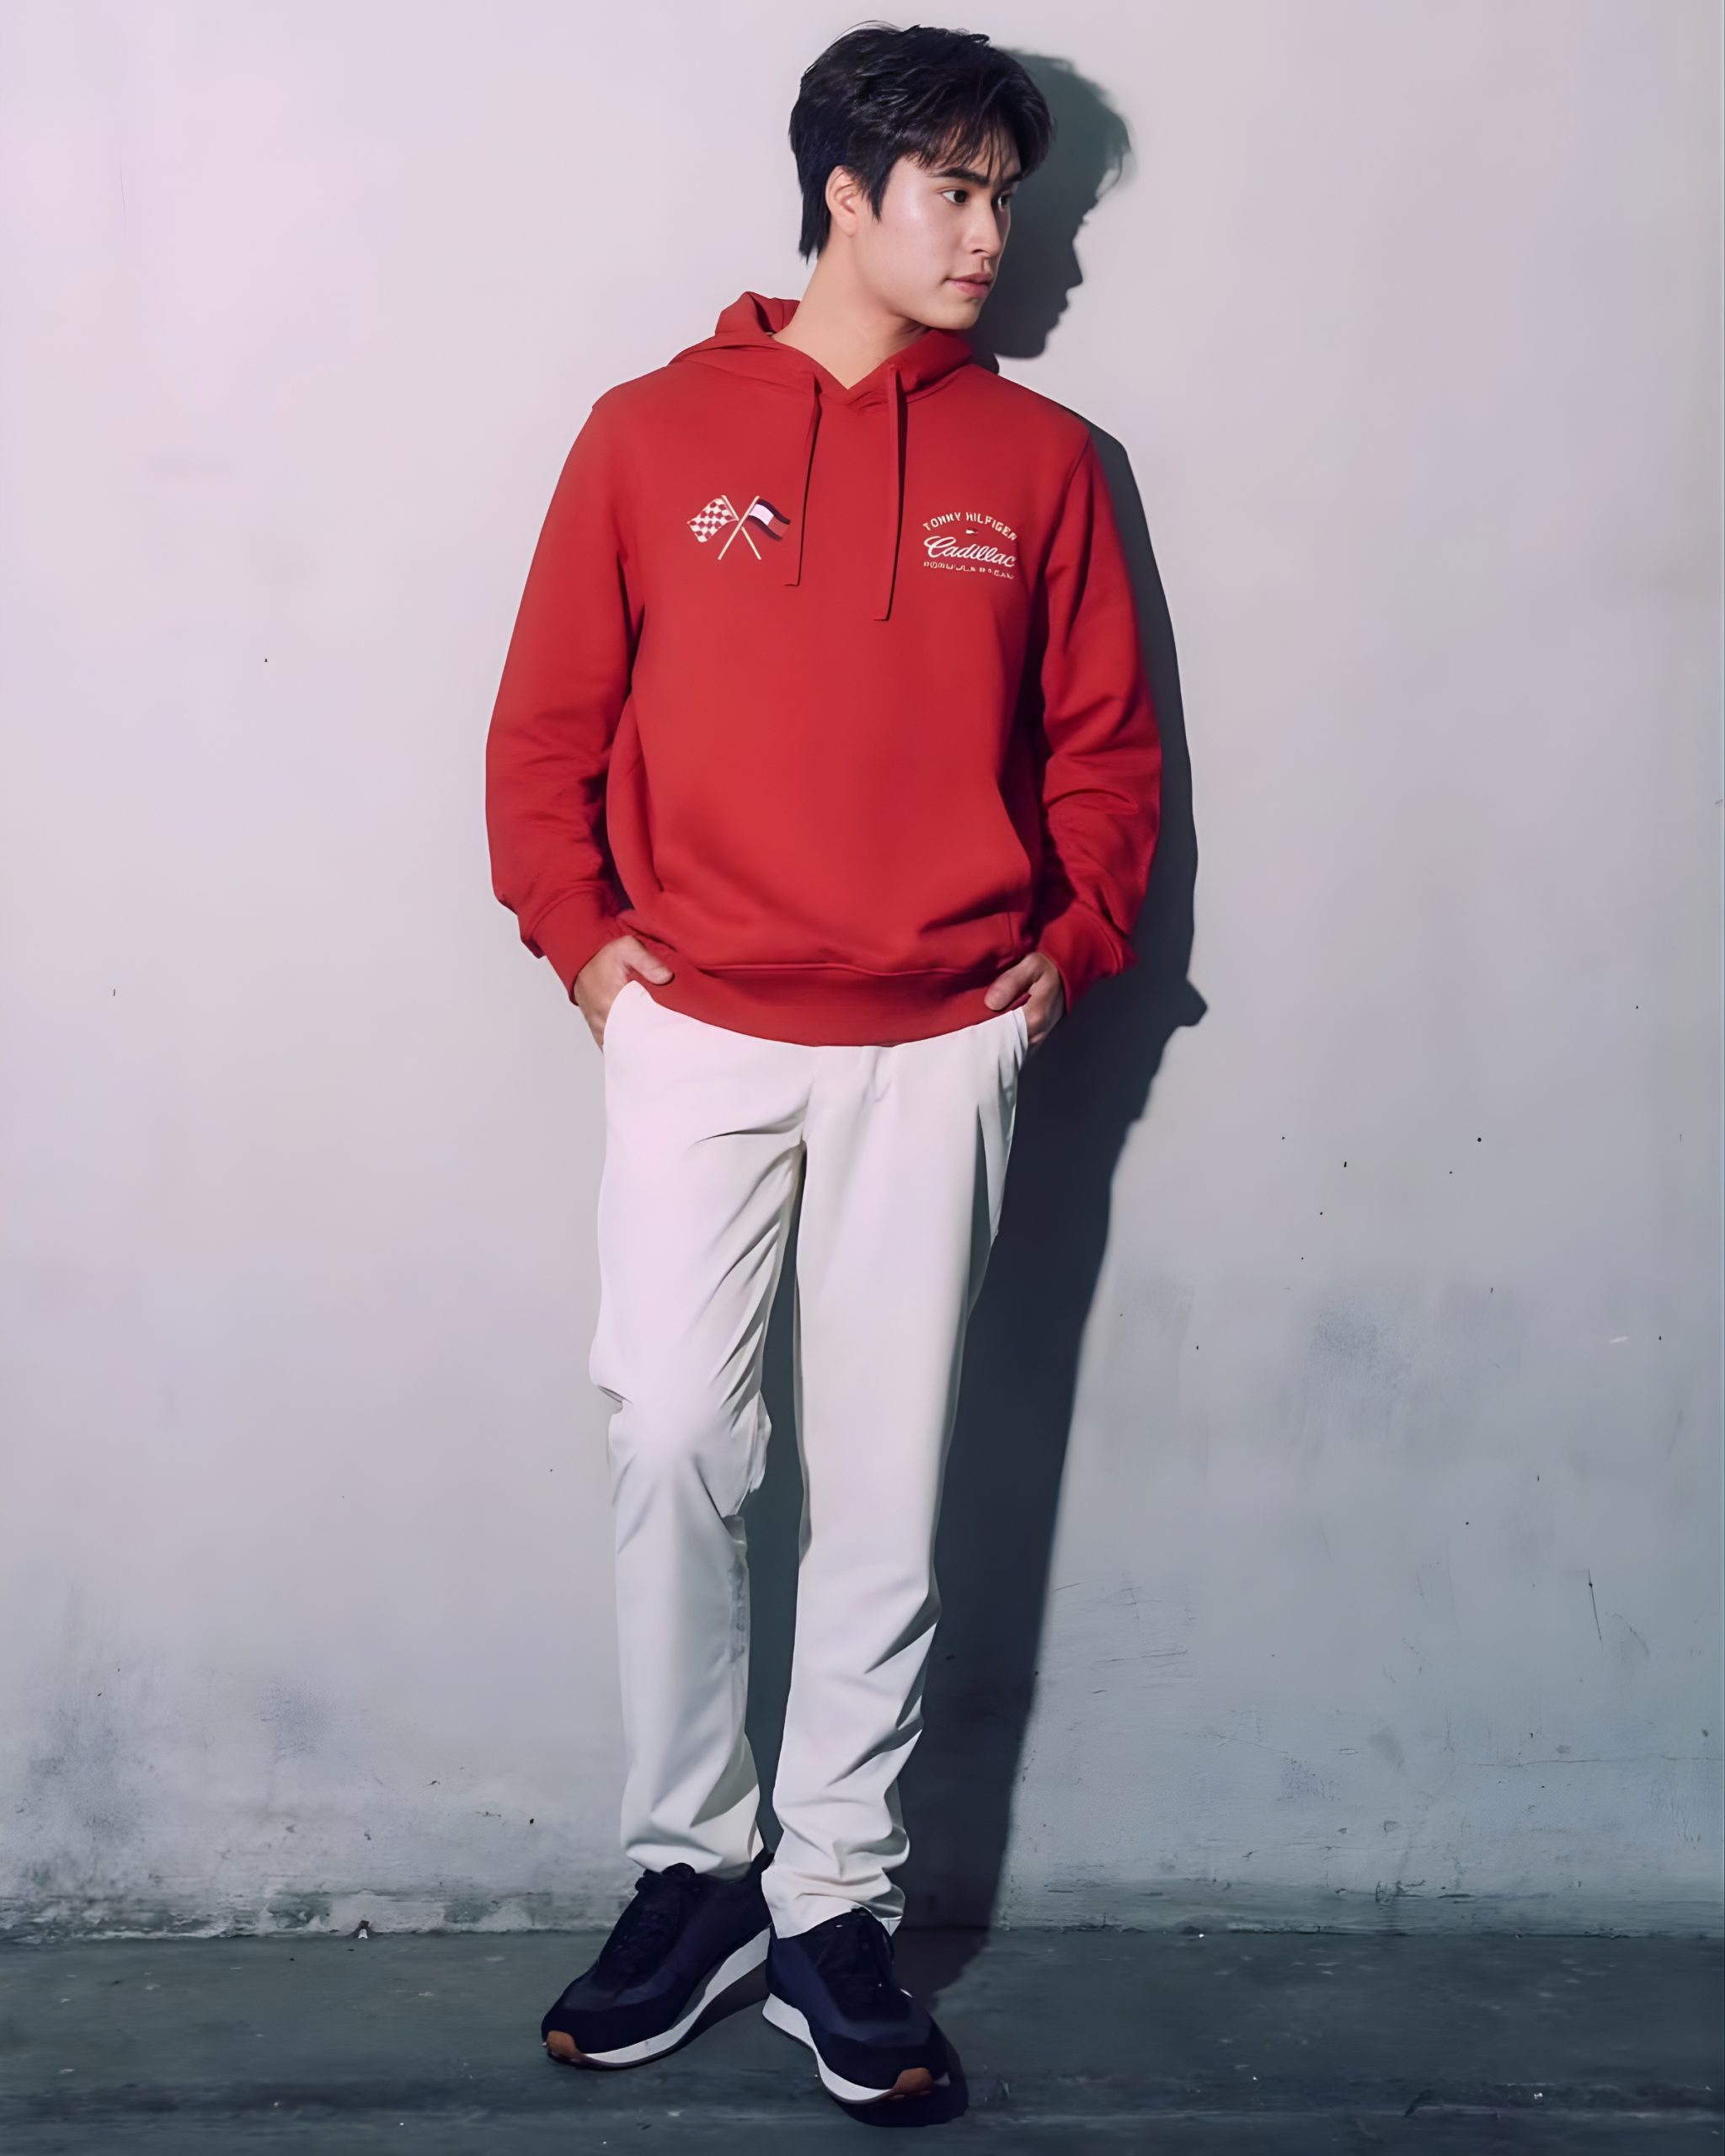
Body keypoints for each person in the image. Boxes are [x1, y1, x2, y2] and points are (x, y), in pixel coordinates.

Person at [484, 20, 1162, 2110]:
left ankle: (831, 1901)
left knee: (883, 1482)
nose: (994, 236)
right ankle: (691, 1868)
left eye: (1007, 198)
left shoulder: (1047, 463)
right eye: (954, 190)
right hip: (696, 1026)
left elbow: (1106, 754)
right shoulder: (644, 433)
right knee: (677, 1434)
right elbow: (544, 730)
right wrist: (588, 950)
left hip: (940, 1044)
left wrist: (1062, 956)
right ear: (845, 194)